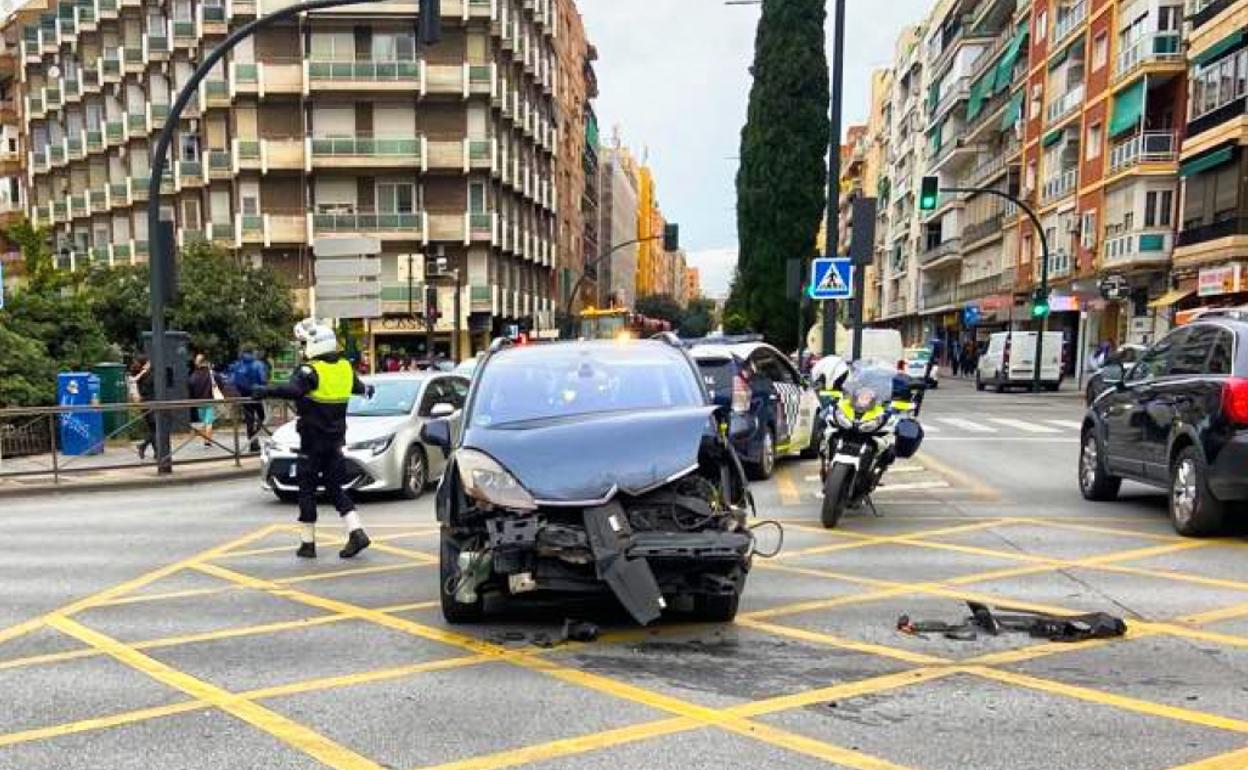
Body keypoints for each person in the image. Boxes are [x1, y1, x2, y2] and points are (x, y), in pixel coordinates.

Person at [253, 319, 373, 559]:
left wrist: (265, 390)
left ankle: (307, 543)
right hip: (336, 439)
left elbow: (293, 390)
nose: (302, 348)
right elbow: (361, 389)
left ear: (315, 345)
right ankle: (356, 531)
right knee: (334, 487)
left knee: (306, 489)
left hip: (312, 440)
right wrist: (368, 389)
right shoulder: (344, 368)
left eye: (304, 343)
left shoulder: (310, 370)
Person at [230, 345, 269, 452]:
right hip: (256, 394)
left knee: (249, 420)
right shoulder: (258, 364)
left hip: (244, 395)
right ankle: (255, 438)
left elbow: (232, 380)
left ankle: (252, 443)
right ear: (252, 352)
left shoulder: (238, 364)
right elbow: (263, 379)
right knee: (262, 416)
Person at [187, 353, 218, 447]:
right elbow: (219, 382)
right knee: (209, 422)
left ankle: (206, 439)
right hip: (209, 400)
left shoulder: (193, 375)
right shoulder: (211, 373)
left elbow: (190, 385)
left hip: (199, 401)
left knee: (204, 421)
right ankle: (208, 441)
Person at [130, 355, 156, 460]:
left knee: (153, 429)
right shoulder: (148, 375)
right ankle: (143, 446)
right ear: (145, 364)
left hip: (144, 404)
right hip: (151, 404)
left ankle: (157, 452)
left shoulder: (140, 374)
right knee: (156, 429)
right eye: (149, 362)